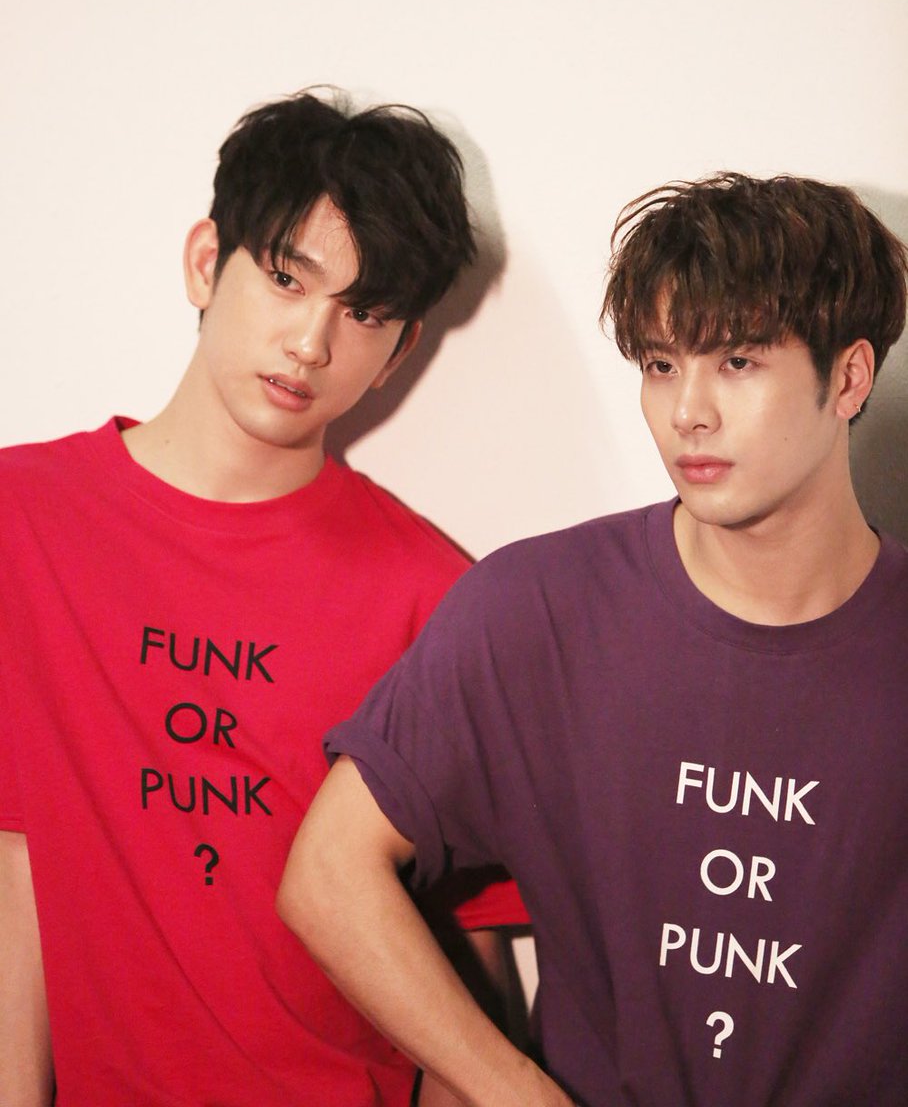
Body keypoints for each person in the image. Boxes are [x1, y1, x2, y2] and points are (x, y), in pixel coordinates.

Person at [278, 172, 908, 1106]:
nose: (688, 411)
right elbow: (328, 876)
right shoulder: (541, 611)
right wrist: (517, 1094)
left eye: (737, 362)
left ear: (848, 378)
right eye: (661, 364)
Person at [0, 89, 523, 1107]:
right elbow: (12, 868)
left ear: (399, 351)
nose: (311, 344)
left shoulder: (433, 600)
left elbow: (468, 981)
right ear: (207, 262)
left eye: (364, 313)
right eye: (287, 278)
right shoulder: (24, 523)